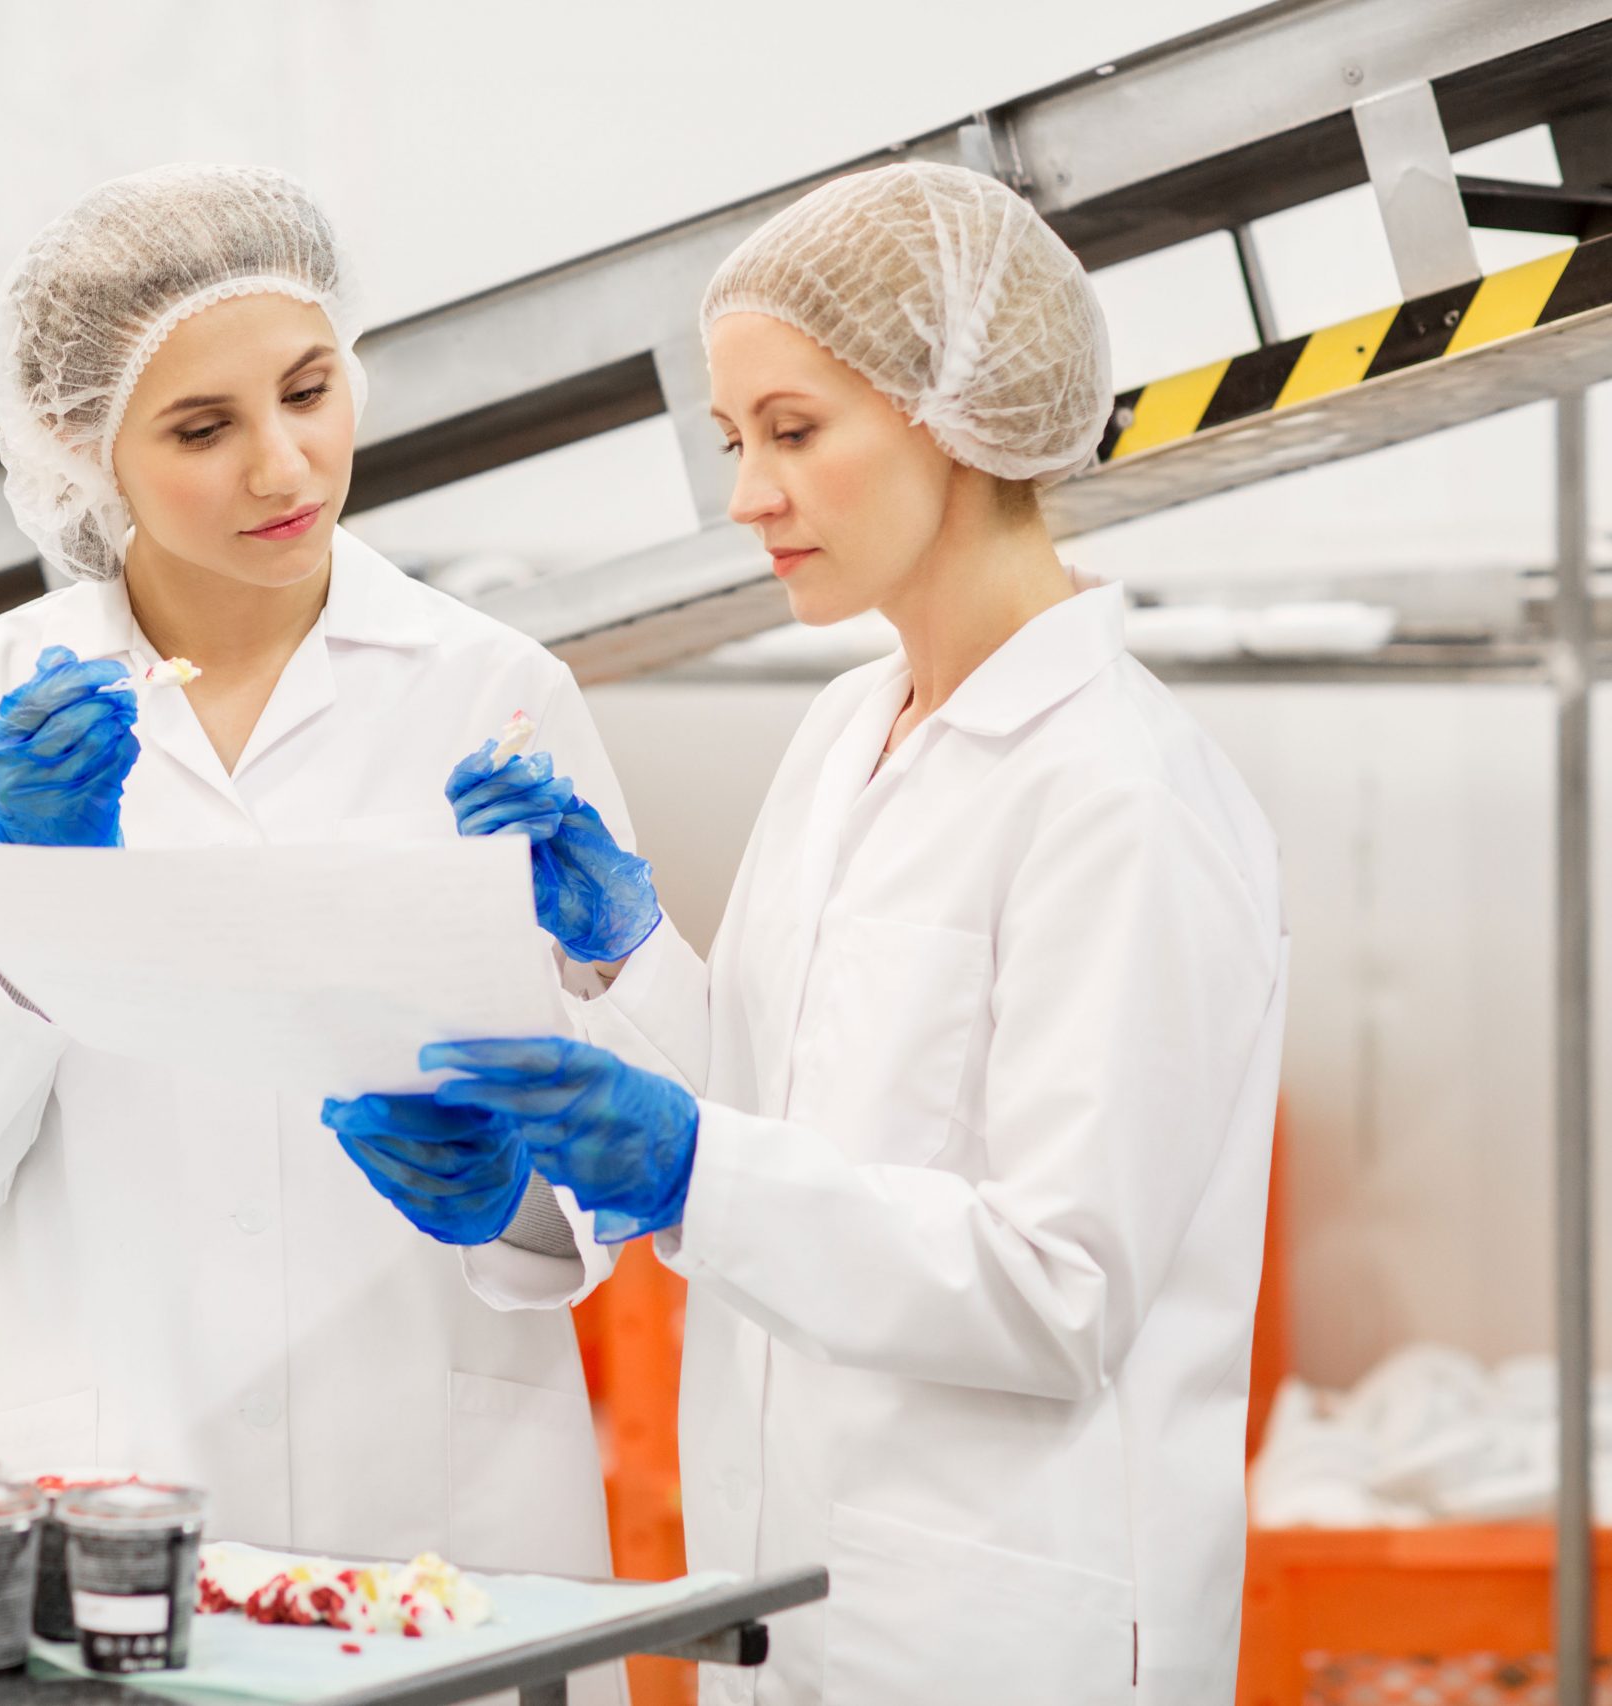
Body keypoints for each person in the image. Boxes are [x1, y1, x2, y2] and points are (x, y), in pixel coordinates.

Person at [326, 163, 1290, 1705]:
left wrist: (685, 1167)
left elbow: (1057, 1287)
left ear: (954, 413)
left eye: (793, 431)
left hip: (999, 1639)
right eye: (734, 441)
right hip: (787, 1610)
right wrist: (625, 961)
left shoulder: (1122, 794)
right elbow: (788, 1108)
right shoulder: (852, 726)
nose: (746, 495)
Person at [0, 164, 667, 1608]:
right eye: (203, 426)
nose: (285, 467)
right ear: (84, 448)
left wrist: (523, 1197)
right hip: (119, 1503)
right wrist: (19, 908)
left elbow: (640, 1129)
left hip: (446, 1503)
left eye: (311, 390)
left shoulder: (491, 689)